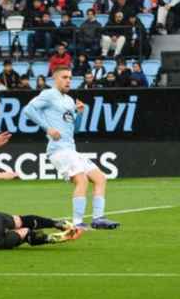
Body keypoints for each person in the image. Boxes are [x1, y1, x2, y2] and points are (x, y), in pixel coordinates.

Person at [24, 66, 120, 230]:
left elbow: (75, 129)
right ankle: (77, 223)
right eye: (64, 77)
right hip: (58, 150)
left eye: (70, 77)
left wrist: (80, 114)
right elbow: (28, 110)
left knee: (100, 178)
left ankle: (98, 219)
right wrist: (47, 128)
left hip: (70, 148)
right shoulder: (48, 94)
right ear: (55, 79)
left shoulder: (69, 100)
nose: (68, 80)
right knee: (81, 180)